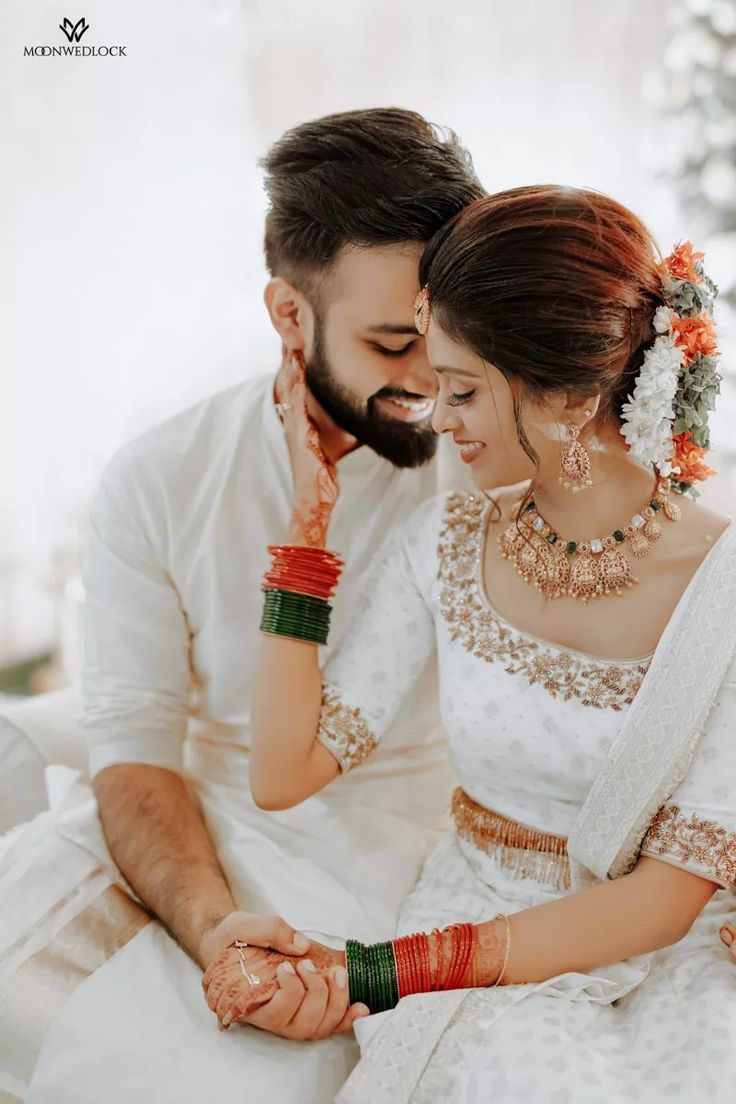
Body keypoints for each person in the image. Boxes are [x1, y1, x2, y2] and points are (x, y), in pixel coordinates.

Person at [0, 108, 484, 1104]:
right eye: (393, 341)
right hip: (207, 837)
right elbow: (133, 754)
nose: (432, 379)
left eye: (450, 336)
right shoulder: (163, 475)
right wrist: (215, 926)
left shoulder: (502, 458)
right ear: (287, 315)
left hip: (428, 854)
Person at [218, 186, 736, 1102]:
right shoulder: (450, 546)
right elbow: (283, 771)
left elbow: (666, 897)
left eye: (462, 391)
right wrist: (306, 531)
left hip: (674, 947)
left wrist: (374, 973)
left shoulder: (721, 591)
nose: (436, 416)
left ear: (572, 398)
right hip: (479, 914)